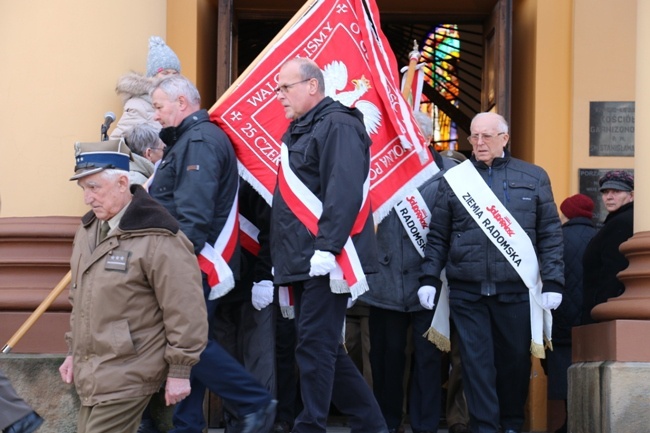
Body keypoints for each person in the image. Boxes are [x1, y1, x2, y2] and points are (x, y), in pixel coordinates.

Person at [419, 112, 565, 433]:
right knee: (475, 364)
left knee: (513, 364)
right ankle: (485, 427)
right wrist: (429, 278)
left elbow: (550, 234)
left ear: (505, 138)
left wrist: (553, 280)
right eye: (474, 137)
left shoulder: (534, 176)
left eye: (487, 136)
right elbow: (439, 234)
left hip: (514, 291)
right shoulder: (456, 180)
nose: (479, 143)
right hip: (467, 290)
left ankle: (511, 423)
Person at [148, 74, 276, 433]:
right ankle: (187, 424)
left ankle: (254, 400)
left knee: (191, 345)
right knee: (192, 343)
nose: (155, 115)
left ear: (182, 103)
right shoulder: (190, 139)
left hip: (193, 263)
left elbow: (193, 215)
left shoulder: (199, 141)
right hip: (190, 261)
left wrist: (173, 265)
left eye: (159, 107)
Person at [269, 57, 387, 433]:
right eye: (277, 89)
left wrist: (328, 246)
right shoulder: (301, 129)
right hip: (303, 257)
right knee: (323, 349)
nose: (279, 96)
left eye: (285, 87)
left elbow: (344, 188)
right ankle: (371, 425)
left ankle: (310, 425)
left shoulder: (337, 124)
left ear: (312, 86)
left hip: (325, 259)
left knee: (314, 347)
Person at [58, 139, 209, 433]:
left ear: (122, 183)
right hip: (97, 369)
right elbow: (81, 298)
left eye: (94, 188)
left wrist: (180, 369)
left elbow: (185, 307)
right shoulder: (88, 229)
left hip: (130, 369)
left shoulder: (159, 236)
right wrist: (73, 351)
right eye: (83, 189)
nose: (87, 198)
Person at [362, 148, 453, 433]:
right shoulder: (377, 168)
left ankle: (424, 424)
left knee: (428, 358)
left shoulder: (449, 172)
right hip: (384, 279)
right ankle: (386, 422)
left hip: (430, 278)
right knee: (385, 356)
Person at [213, 180, 276, 433]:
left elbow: (271, 229)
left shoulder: (256, 176)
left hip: (253, 283)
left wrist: (264, 277)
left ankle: (259, 428)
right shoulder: (212, 172)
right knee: (225, 360)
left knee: (258, 359)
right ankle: (235, 424)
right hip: (218, 281)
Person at [545, 194, 596, 433]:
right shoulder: (600, 236)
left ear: (566, 213)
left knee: (562, 375)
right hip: (591, 320)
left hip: (561, 319)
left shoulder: (557, 238)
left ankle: (568, 423)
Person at [582, 170, 634, 324]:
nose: (609, 197)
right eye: (605, 192)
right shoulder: (618, 220)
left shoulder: (622, 222)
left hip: (608, 313)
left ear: (631, 195)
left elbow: (612, 272)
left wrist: (601, 310)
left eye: (616, 191)